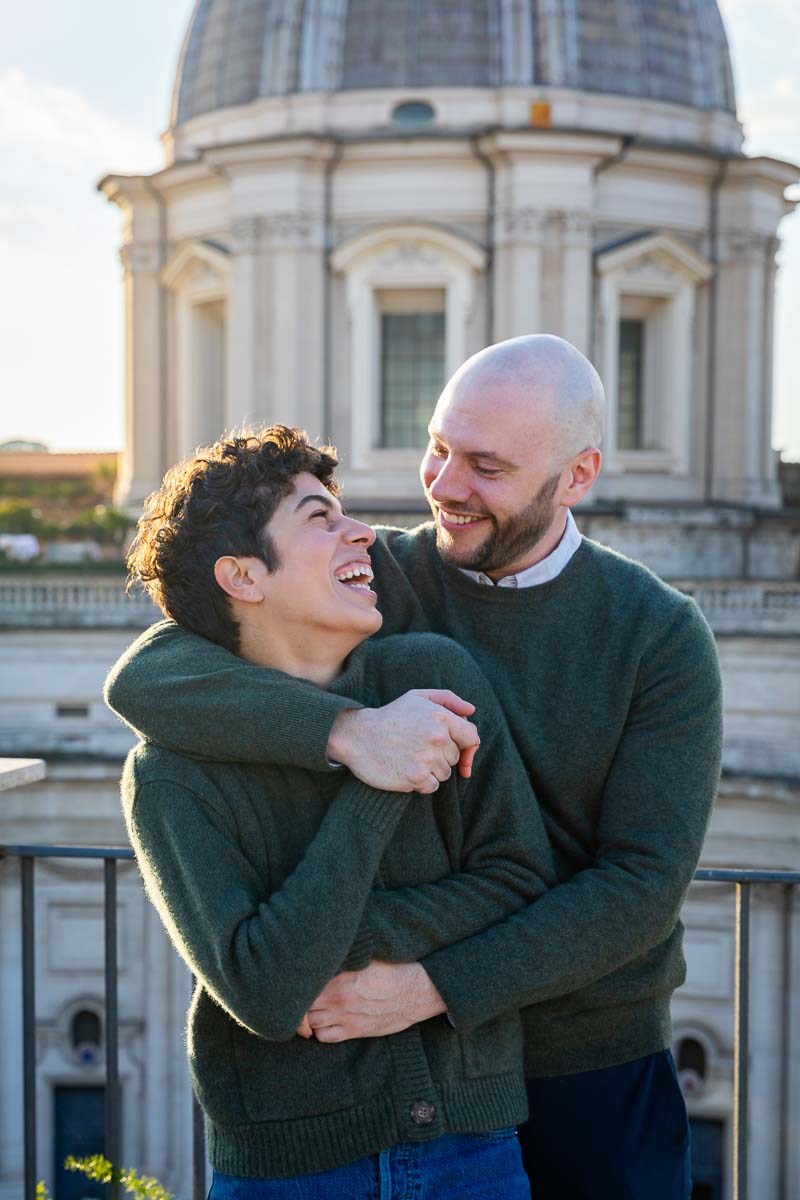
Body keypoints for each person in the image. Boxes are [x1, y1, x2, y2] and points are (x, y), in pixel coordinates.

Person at [106, 336, 723, 1200]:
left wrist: (433, 988)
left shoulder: (659, 634)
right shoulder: (383, 575)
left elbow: (642, 885)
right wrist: (350, 732)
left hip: (590, 1060)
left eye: (486, 466)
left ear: (576, 477)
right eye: (438, 448)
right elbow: (147, 676)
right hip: (423, 1081)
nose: (443, 485)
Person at [114, 425, 559, 1198]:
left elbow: (521, 878)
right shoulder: (171, 774)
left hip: (472, 1148)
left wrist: (335, 946)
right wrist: (376, 765)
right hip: (289, 1174)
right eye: (320, 517)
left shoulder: (431, 675)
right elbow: (264, 992)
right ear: (243, 577)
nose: (364, 533)